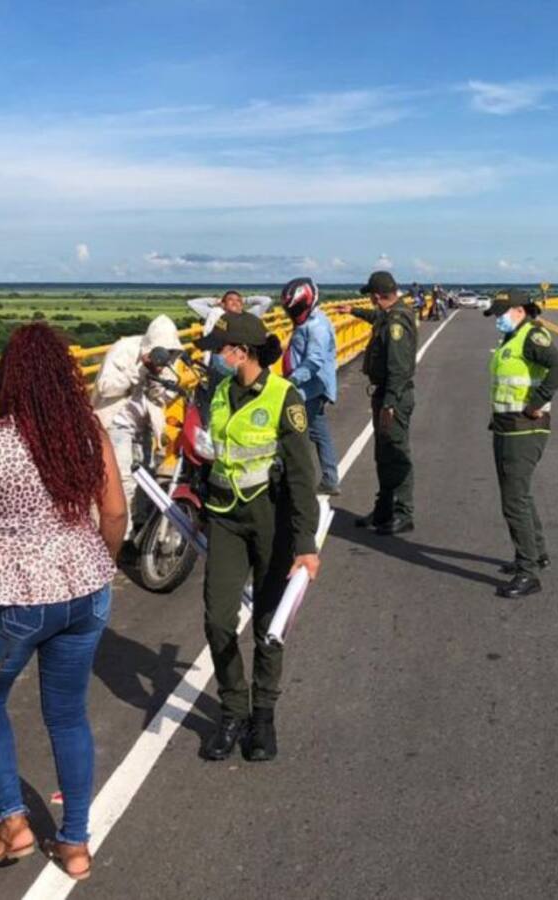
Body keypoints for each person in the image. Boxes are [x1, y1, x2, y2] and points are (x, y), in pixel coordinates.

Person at [0, 322, 127, 881]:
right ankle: (75, 844)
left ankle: (13, 822)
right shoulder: (87, 430)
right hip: (86, 593)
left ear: (8, 377)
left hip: (17, 601)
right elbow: (115, 513)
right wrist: (100, 563)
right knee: (67, 715)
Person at [195, 311, 321, 763]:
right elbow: (215, 455)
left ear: (241, 352)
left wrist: (305, 543)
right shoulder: (220, 392)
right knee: (218, 619)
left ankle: (263, 715)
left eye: (221, 350)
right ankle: (233, 709)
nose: (216, 358)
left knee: (269, 624)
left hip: (270, 519)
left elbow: (303, 476)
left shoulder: (284, 396)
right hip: (224, 518)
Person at [482, 290, 558, 598]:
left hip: (524, 429)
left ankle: (527, 571)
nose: (497, 318)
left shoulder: (532, 336)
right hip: (508, 426)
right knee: (520, 494)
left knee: (513, 500)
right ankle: (537, 553)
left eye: (501, 313)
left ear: (519, 310)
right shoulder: (512, 337)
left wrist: (536, 402)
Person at [91, 315, 183, 537]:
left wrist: (156, 379)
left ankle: (138, 526)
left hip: (145, 424)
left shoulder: (169, 359)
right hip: (117, 422)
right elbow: (105, 388)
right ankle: (122, 535)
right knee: (124, 479)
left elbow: (165, 396)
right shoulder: (123, 349)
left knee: (145, 477)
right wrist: (139, 372)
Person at [350, 271, 418, 535]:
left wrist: (389, 403)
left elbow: (398, 368)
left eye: (370, 296)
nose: (370, 300)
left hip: (394, 396)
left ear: (377, 296)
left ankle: (403, 512)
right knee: (383, 454)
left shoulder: (396, 322)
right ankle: (384, 508)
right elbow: (376, 317)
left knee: (396, 454)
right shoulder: (390, 315)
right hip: (385, 394)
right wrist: (353, 311)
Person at [281, 277, 340, 495]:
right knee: (319, 433)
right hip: (308, 388)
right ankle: (329, 479)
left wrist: (292, 381)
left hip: (309, 389)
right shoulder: (307, 323)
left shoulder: (317, 326)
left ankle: (299, 484)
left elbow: (314, 361)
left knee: (294, 435)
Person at [188, 291, 273, 406]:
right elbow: (192, 303)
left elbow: (266, 301)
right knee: (219, 397)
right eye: (230, 300)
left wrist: (246, 300)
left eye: (238, 300)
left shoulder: (250, 315)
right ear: (223, 304)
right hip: (221, 364)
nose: (235, 302)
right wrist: (216, 301)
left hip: (243, 363)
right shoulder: (216, 315)